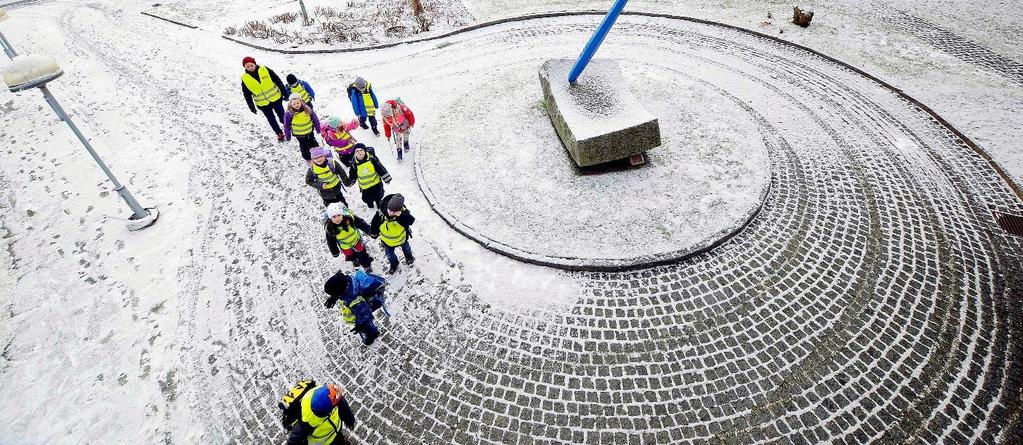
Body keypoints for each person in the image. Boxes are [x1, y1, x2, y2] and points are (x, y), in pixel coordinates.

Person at [323, 269, 388, 345]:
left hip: (368, 304)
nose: (333, 296)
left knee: (366, 326)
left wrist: (361, 324)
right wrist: (335, 297)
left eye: (334, 294)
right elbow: (340, 286)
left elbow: (365, 314)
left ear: (340, 292)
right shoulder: (348, 281)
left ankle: (373, 334)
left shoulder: (355, 301)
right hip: (363, 298)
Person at [284, 382, 356, 445]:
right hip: (325, 442)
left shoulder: (326, 394)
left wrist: (350, 420)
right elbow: (294, 440)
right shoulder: (307, 422)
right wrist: (350, 421)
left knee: (340, 439)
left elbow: (341, 401)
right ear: (327, 410)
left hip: (336, 432)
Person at [241, 56, 288, 141]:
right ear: (245, 68)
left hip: (276, 98)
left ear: (254, 63)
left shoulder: (264, 69)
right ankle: (279, 133)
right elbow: (247, 95)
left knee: (282, 115)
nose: (250, 68)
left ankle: (287, 127)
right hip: (263, 104)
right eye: (247, 67)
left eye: (251, 65)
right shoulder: (245, 78)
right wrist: (251, 106)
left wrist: (285, 93)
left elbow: (277, 80)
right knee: (271, 120)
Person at [370, 194, 415, 274]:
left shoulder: (403, 213)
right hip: (387, 242)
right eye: (390, 210)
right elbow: (374, 224)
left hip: (402, 239)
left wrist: (401, 215)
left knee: (407, 249)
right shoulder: (380, 214)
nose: (391, 213)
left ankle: (409, 258)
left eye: (394, 212)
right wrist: (374, 233)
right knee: (390, 255)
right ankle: (394, 264)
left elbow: (411, 221)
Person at [324, 203, 374, 272]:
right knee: (351, 256)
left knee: (362, 254)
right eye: (334, 217)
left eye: (339, 215)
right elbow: (331, 241)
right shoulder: (330, 228)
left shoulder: (350, 219)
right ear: (330, 218)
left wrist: (369, 230)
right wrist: (335, 251)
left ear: (342, 214)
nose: (337, 218)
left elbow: (361, 223)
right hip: (345, 246)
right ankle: (355, 261)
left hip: (357, 241)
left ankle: (366, 265)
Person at [347, 144, 391, 209]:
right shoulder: (354, 163)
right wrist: (352, 181)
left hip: (376, 183)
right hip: (365, 186)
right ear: (354, 153)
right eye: (357, 151)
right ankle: (370, 203)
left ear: (365, 151)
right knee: (367, 198)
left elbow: (380, 168)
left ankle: (379, 203)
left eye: (361, 150)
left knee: (378, 195)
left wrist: (386, 178)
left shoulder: (371, 159)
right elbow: (352, 174)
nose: (359, 153)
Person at [284, 93, 322, 161]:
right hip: (299, 135)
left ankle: (318, 155)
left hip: (310, 132)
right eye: (294, 104)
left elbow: (315, 119)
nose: (296, 105)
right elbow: (286, 126)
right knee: (304, 147)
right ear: (290, 104)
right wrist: (288, 135)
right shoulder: (289, 113)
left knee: (313, 143)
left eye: (298, 103)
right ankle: (308, 158)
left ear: (301, 102)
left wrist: (318, 128)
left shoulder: (307, 109)